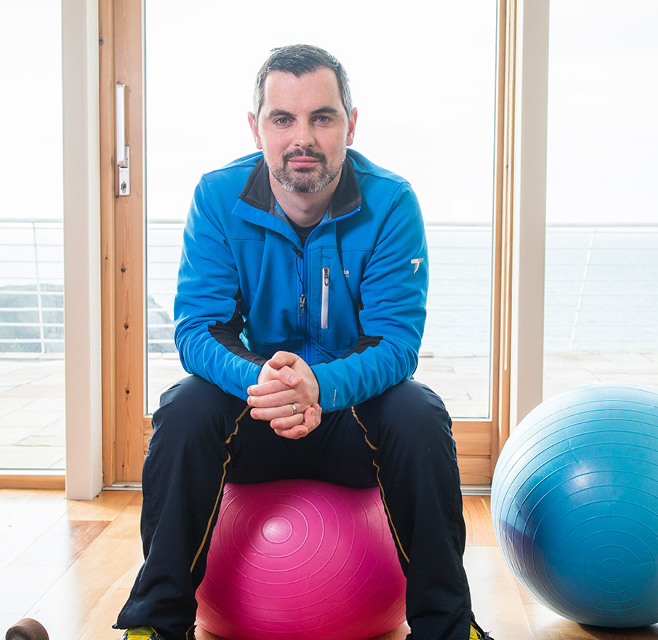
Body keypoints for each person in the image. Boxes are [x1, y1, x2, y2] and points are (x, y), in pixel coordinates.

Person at [115, 44, 492, 640]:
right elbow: (197, 329)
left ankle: (448, 628)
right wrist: (260, 382)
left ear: (350, 123)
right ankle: (155, 626)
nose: (303, 137)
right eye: (282, 119)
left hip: (350, 425)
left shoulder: (392, 201)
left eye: (322, 117)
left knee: (420, 414)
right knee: (183, 408)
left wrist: (322, 385)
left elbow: (396, 343)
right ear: (255, 126)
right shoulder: (217, 198)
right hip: (256, 414)